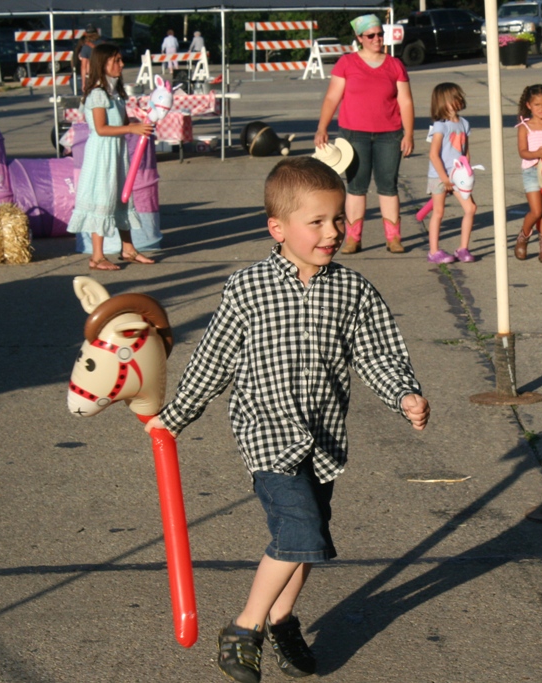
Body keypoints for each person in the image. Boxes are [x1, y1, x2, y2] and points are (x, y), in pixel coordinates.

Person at [144, 156, 430, 683]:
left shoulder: (352, 291)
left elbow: (378, 354)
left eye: (338, 218)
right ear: (278, 228)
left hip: (322, 438)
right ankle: (244, 628)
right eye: (316, 222)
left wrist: (404, 395)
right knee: (299, 529)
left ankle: (281, 618)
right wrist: (174, 417)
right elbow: (214, 359)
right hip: (268, 435)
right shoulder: (247, 288)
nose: (333, 231)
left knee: (309, 540)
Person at [314, 14, 415, 255]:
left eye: (380, 34)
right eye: (370, 36)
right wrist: (322, 127)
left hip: (389, 135)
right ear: (359, 38)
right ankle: (353, 238)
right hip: (354, 135)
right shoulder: (347, 63)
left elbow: (406, 101)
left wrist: (409, 133)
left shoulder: (395, 65)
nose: (377, 39)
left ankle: (393, 238)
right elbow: (332, 97)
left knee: (388, 186)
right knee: (356, 187)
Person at [66, 43, 155, 270]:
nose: (121, 64)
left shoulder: (116, 94)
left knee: (121, 198)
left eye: (120, 60)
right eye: (116, 60)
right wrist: (131, 129)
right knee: (103, 198)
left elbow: (121, 123)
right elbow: (101, 128)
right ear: (103, 63)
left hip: (117, 152)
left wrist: (139, 122)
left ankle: (128, 248)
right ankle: (97, 256)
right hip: (102, 154)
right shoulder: (97, 94)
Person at [425, 83, 476, 264]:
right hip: (439, 175)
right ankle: (433, 251)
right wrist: (445, 179)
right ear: (442, 102)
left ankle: (463, 248)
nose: (458, 101)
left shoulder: (464, 124)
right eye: (453, 98)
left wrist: (466, 172)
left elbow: (465, 152)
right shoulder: (440, 126)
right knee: (438, 212)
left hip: (458, 175)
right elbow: (434, 155)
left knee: (470, 208)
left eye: (459, 97)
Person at [514, 84, 542, 263]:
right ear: (529, 105)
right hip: (532, 171)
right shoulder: (525, 127)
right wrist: (537, 153)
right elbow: (523, 152)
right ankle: (523, 236)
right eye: (537, 105)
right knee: (536, 211)